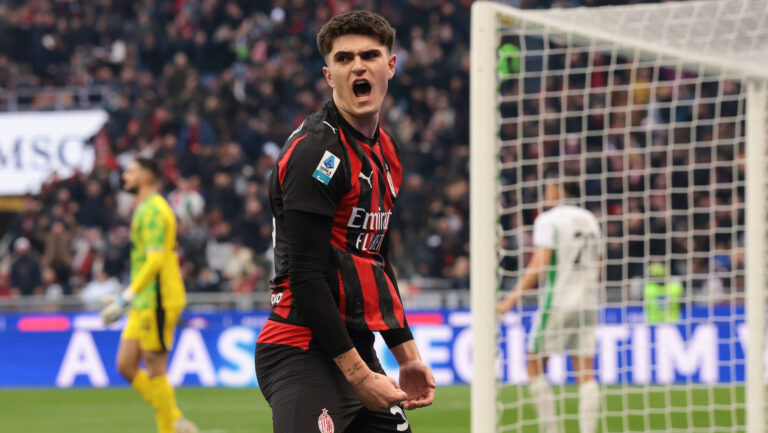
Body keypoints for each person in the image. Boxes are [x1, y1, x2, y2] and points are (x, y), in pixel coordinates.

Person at [255, 10, 435, 433]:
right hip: (301, 347)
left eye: (370, 55)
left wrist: (407, 356)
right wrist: (358, 376)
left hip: (353, 344)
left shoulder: (386, 152)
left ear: (390, 66)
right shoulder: (316, 153)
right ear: (328, 74)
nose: (358, 66)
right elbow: (305, 275)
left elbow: (374, 259)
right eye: (344, 58)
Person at [100, 158, 197, 433]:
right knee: (126, 364)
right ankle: (175, 417)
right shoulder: (144, 208)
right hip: (144, 299)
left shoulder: (154, 210)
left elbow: (155, 261)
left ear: (146, 176)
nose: (125, 176)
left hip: (159, 299)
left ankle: (169, 427)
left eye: (130, 171)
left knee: (156, 369)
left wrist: (126, 297)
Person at [498, 181, 602, 433]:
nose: (546, 194)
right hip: (588, 301)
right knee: (585, 371)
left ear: (558, 192)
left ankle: (551, 430)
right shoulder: (590, 219)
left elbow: (540, 263)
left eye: (548, 189)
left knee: (533, 363)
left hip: (558, 301)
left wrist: (511, 299)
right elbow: (598, 262)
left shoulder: (549, 219)